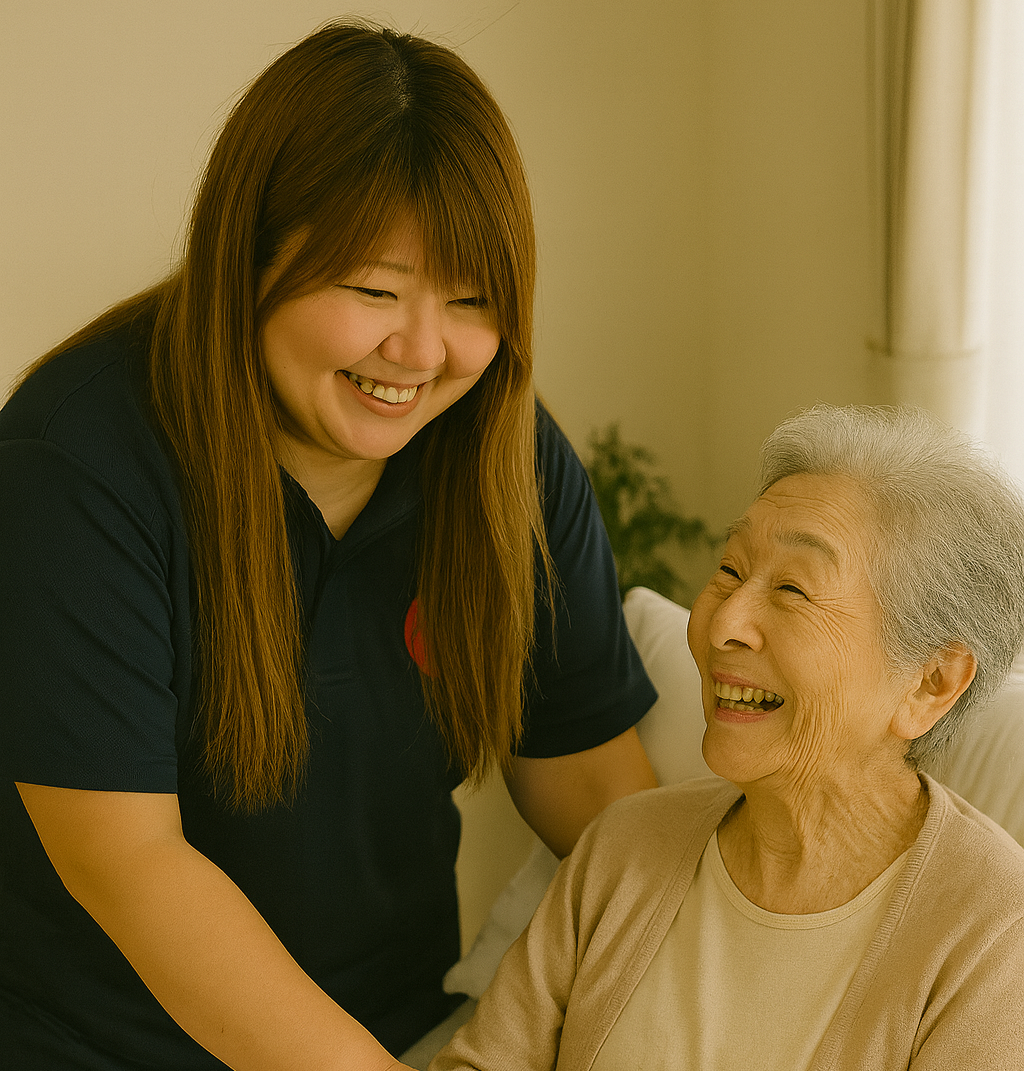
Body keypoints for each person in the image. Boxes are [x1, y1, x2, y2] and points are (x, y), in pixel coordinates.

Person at [0, 22, 660, 1071]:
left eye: (472, 301)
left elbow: (589, 787)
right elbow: (129, 864)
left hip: (407, 1028)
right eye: (373, 290)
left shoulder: (504, 458)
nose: (422, 351)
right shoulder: (75, 463)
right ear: (251, 250)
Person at [432, 404, 1024, 1071]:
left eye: (794, 589)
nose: (724, 625)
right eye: (730, 570)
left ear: (930, 684)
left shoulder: (994, 929)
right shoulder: (624, 845)